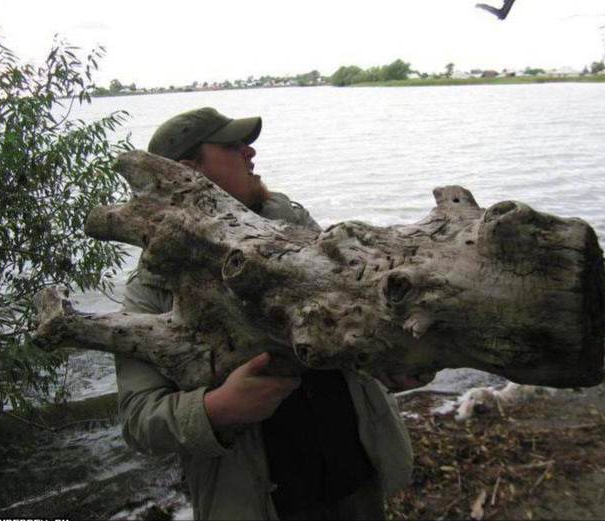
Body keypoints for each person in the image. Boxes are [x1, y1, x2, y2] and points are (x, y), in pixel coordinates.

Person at [116, 107, 425, 520]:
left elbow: (361, 320)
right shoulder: (154, 287)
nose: (250, 152)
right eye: (232, 146)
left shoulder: (298, 228)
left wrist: (396, 362)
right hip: (261, 506)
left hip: (359, 478)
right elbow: (138, 418)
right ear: (187, 173)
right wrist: (217, 408)